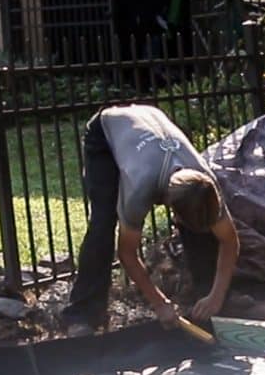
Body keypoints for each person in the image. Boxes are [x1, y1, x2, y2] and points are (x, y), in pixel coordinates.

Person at [62, 104, 239, 337]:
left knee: (202, 226)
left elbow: (229, 241)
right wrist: (159, 303)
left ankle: (208, 297)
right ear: (171, 208)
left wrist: (216, 296)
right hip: (107, 133)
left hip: (150, 121)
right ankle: (82, 313)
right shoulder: (140, 189)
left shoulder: (205, 186)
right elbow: (127, 253)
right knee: (103, 223)